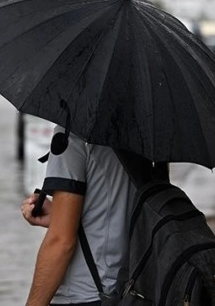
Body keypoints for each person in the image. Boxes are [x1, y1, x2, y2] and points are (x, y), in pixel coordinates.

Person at [19, 127, 152, 306]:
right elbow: (122, 212)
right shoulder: (141, 134)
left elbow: (61, 242)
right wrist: (59, 215)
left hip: (83, 295)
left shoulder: (71, 136)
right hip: (130, 291)